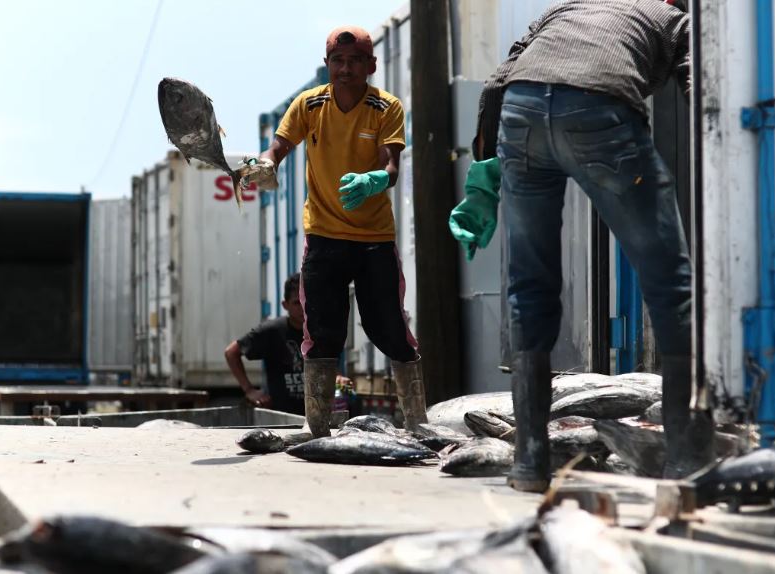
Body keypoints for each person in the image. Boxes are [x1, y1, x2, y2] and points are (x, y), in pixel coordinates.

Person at [455, 0, 713, 493]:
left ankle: (530, 464)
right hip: (600, 115)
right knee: (671, 286)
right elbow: (698, 88)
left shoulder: (564, 10)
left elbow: (494, 86)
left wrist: (483, 174)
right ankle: (686, 463)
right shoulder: (675, 21)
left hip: (520, 116)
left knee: (529, 286)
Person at [238, 25, 426, 437]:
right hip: (323, 236)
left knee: (390, 328)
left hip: (374, 238)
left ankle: (417, 422)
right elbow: (279, 148)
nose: (346, 69)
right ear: (327, 66)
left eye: (355, 60)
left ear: (371, 66)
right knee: (321, 331)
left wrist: (376, 179)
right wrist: (266, 164)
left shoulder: (386, 107)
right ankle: (317, 427)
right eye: (338, 61)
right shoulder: (309, 104)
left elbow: (391, 165)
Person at [224, 273, 351, 415]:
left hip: (316, 417)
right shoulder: (272, 331)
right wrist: (249, 390)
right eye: (297, 302)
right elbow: (231, 352)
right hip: (280, 419)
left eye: (306, 301)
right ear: (285, 305)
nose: (303, 308)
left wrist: (339, 379)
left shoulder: (320, 332)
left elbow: (330, 366)